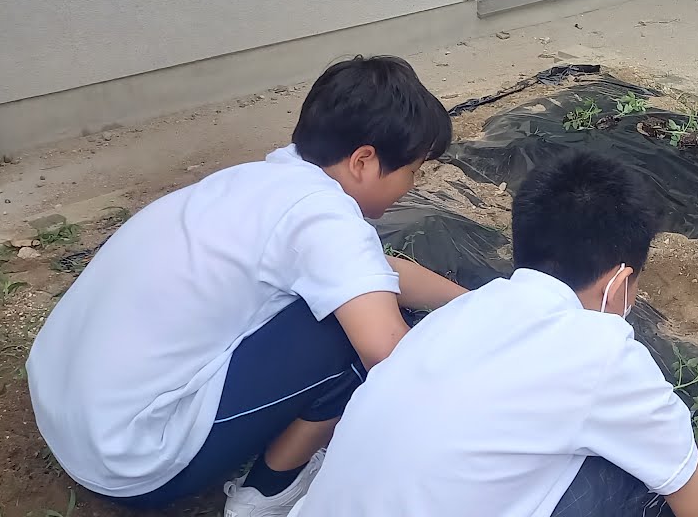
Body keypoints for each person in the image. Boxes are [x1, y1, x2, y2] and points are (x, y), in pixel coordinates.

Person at [26, 55, 470, 516]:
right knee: (355, 339)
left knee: (352, 305)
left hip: (67, 413)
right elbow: (387, 353)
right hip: (131, 462)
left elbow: (377, 271)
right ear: (363, 160)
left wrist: (479, 303)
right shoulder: (324, 217)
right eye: (413, 171)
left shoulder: (258, 181)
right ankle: (267, 495)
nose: (412, 185)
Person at [291, 151, 698, 517]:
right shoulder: (603, 353)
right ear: (619, 283)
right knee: (631, 479)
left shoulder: (462, 310)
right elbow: (697, 505)